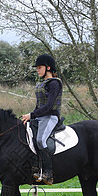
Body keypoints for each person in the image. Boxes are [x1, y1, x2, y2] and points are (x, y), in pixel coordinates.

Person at [22, 54, 62, 185]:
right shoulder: (42, 84)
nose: (38, 70)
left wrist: (32, 115)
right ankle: (35, 166)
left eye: (40, 67)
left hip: (51, 116)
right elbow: (39, 104)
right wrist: (30, 116)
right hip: (40, 116)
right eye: (37, 68)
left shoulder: (54, 84)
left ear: (48, 68)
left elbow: (49, 106)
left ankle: (49, 173)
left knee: (40, 140)